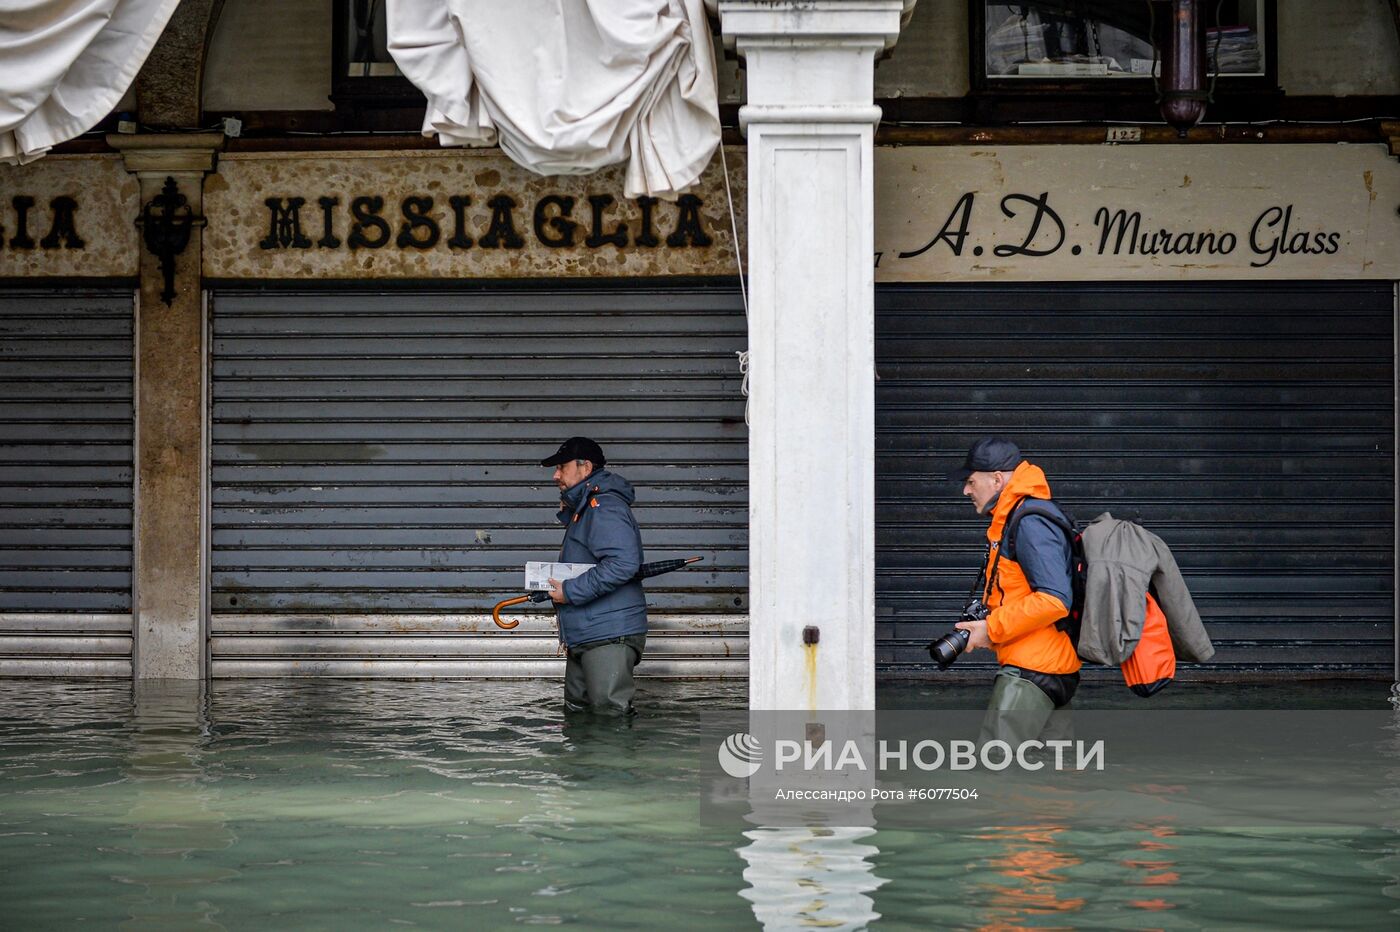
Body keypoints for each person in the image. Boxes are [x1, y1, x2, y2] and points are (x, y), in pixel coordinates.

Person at [951, 438, 1080, 745]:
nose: (966, 491)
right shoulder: (1019, 517)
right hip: (1048, 668)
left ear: (997, 479)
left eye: (971, 482)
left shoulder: (1030, 522)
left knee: (995, 770)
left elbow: (1054, 600)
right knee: (1053, 779)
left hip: (1031, 673)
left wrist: (990, 629)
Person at [540, 436, 647, 715]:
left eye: (561, 467)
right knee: (579, 715)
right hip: (588, 633)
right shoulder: (589, 508)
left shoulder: (605, 507)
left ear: (585, 468)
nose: (555, 475)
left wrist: (570, 591)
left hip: (607, 634)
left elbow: (623, 563)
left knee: (609, 718)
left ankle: (614, 761)